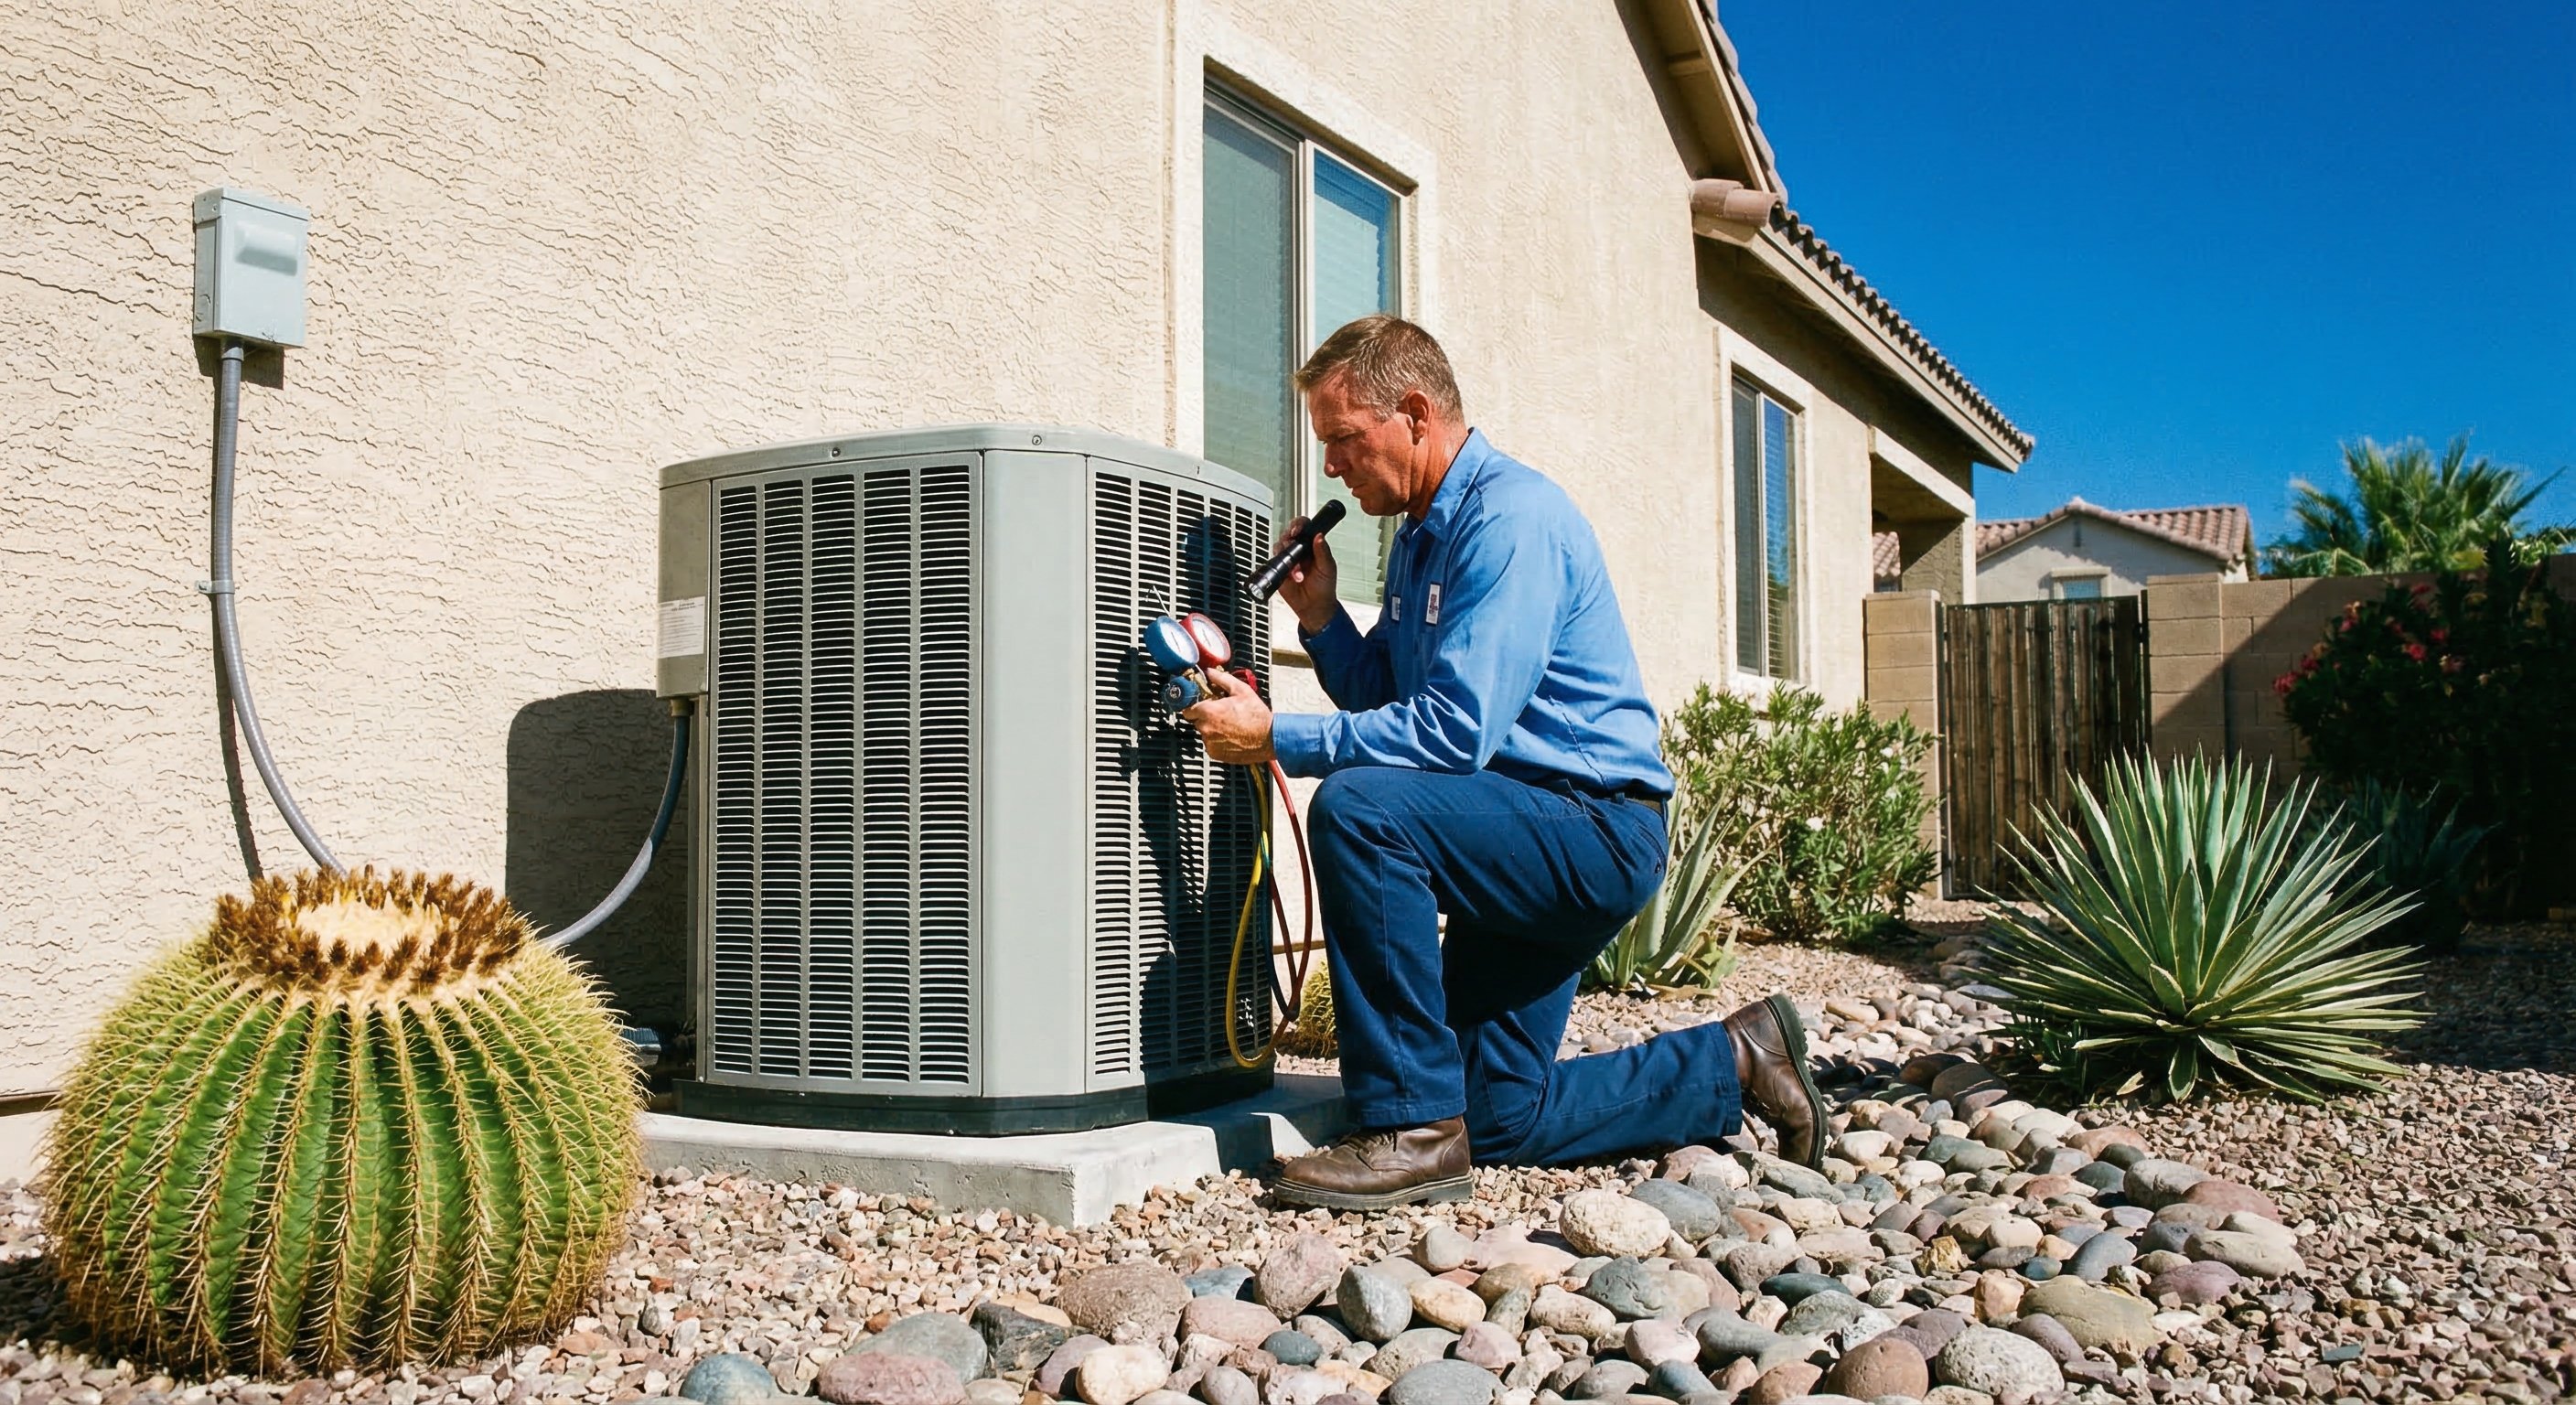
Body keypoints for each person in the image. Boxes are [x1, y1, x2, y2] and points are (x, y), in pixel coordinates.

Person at [1181, 315, 1827, 1210]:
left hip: (1590, 830)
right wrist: (1323, 617)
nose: (1330, 466)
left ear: (1412, 411)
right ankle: (1734, 1061)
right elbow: (1389, 703)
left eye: (1342, 440)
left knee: (1361, 811)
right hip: (1512, 830)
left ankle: (1406, 1129)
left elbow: (1447, 736)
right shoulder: (1420, 536)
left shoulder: (1508, 520)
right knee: (1493, 1113)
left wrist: (1272, 739)